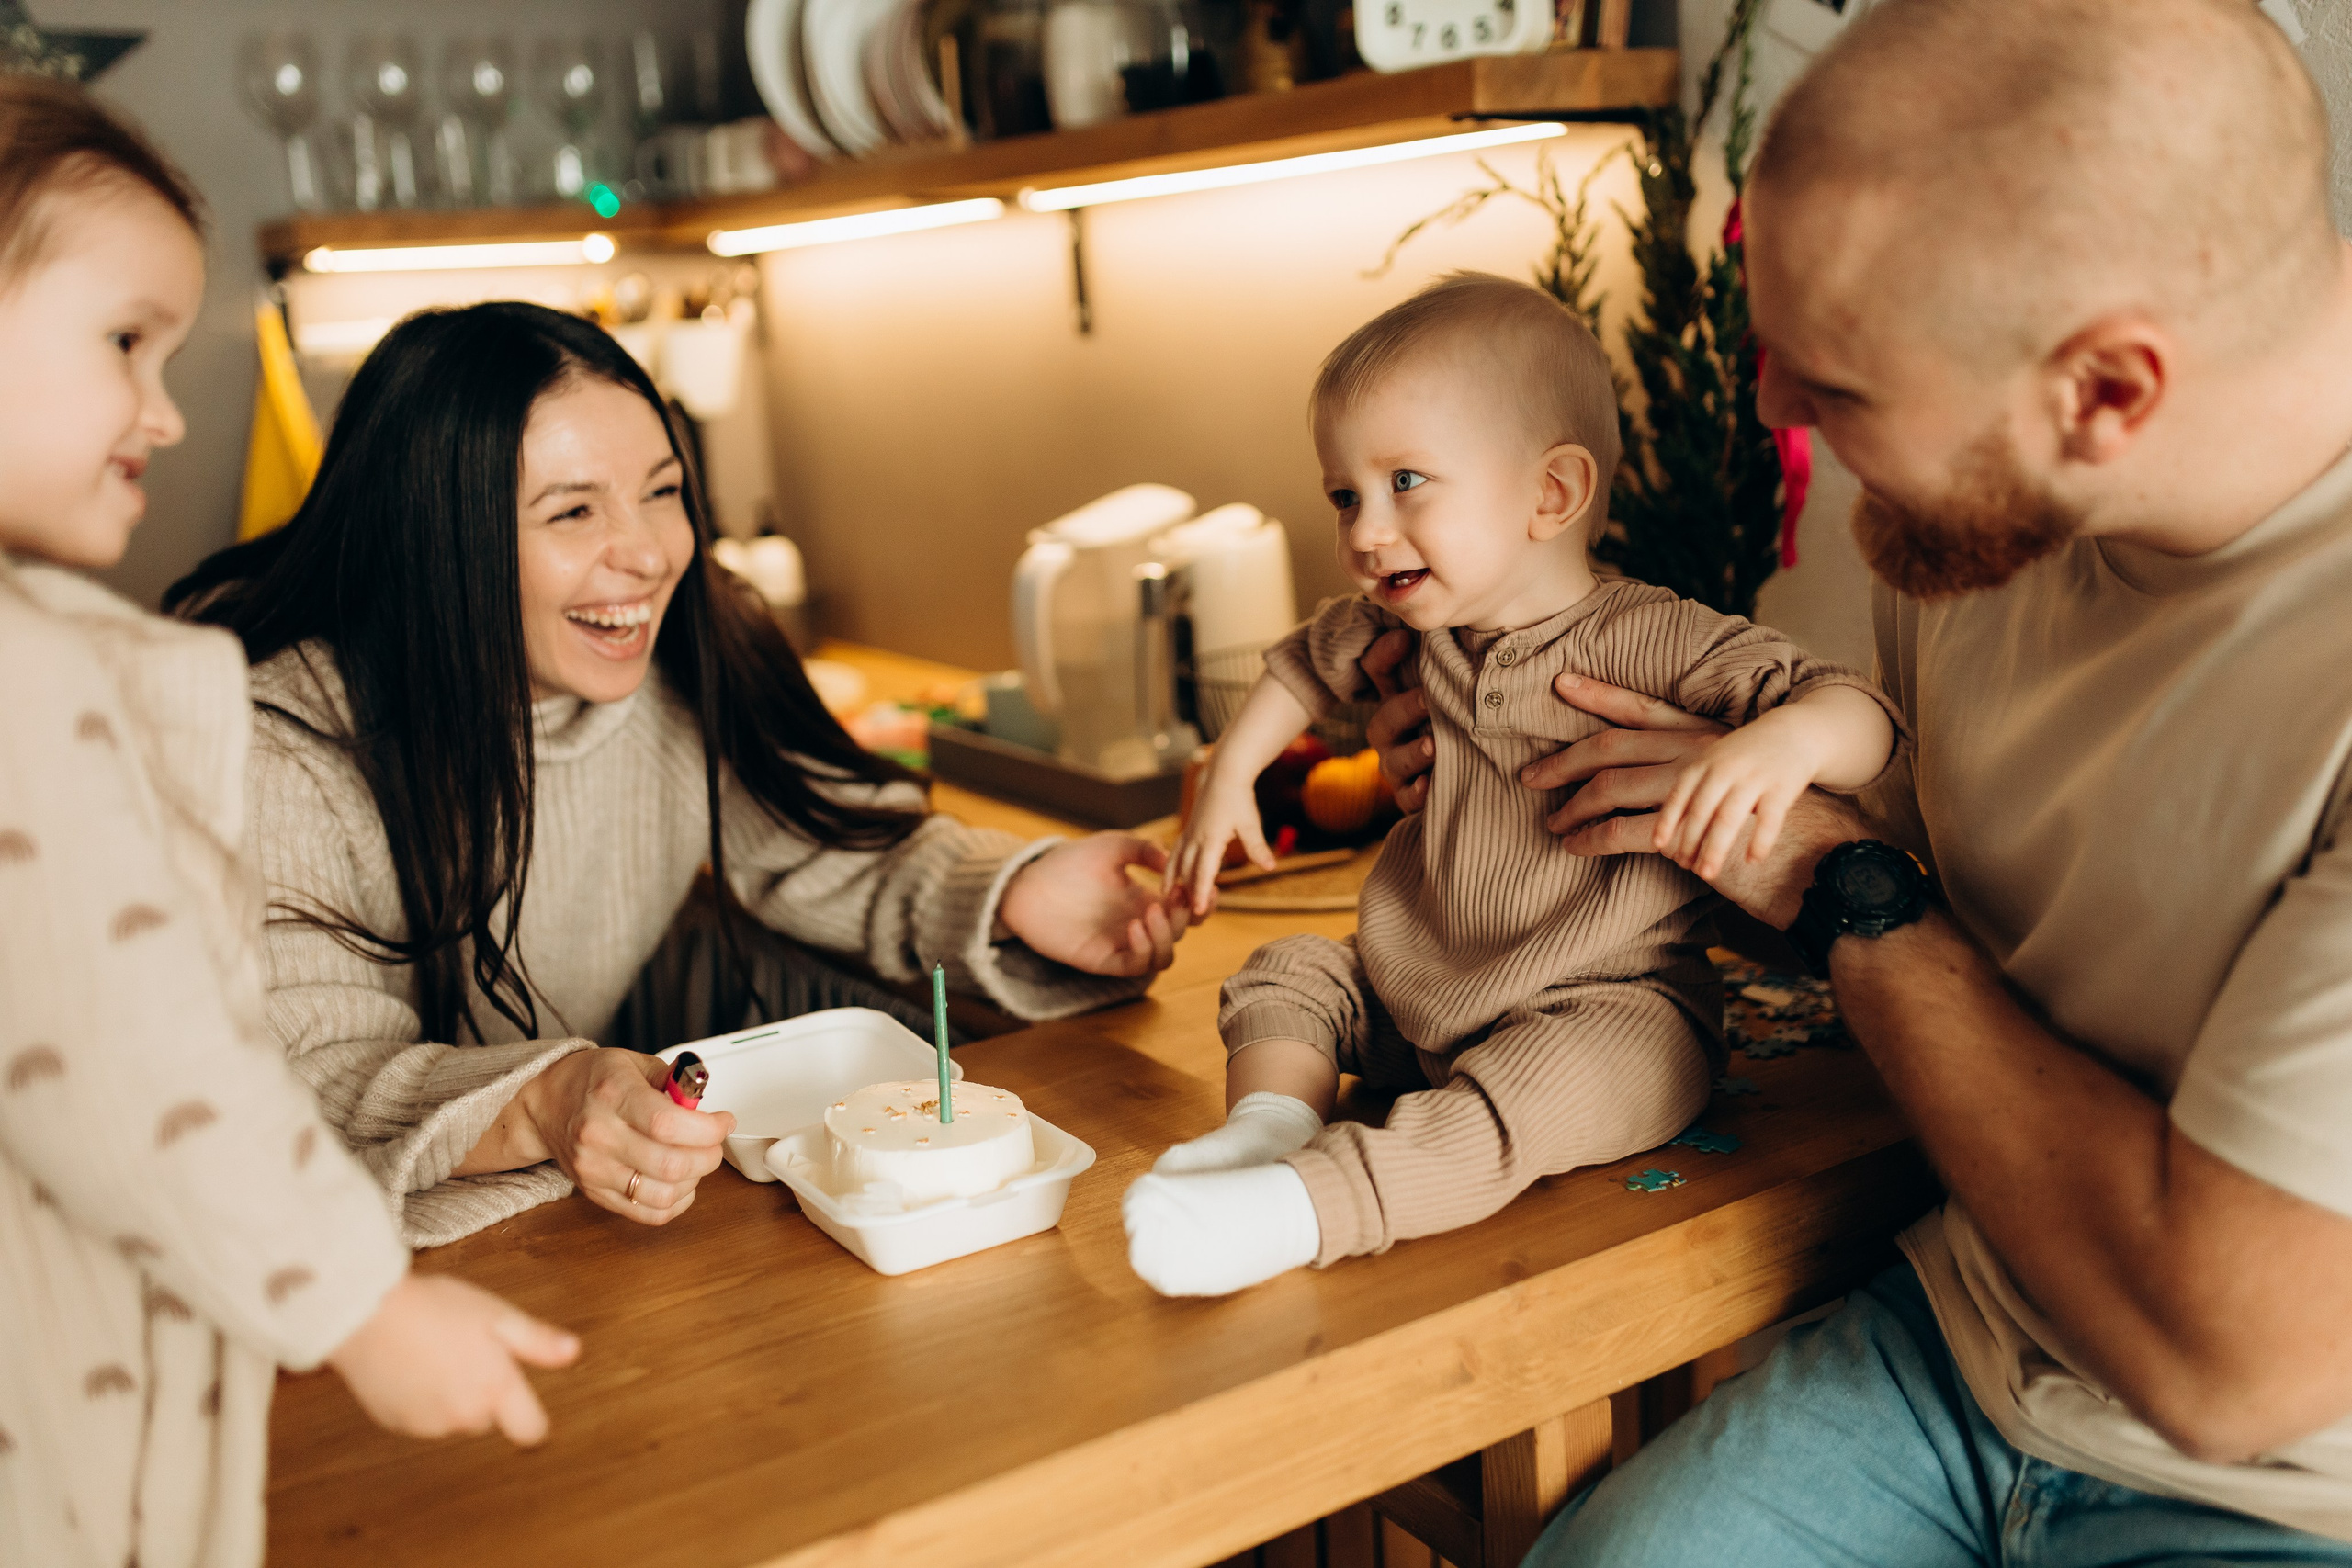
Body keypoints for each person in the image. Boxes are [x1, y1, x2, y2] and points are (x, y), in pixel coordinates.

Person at [1362, 0, 2352, 1559]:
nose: (1770, 413)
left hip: (2285, 1489)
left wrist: (1844, 887)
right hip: (1962, 1352)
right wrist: (1558, 779)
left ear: (2107, 391)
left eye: (1839, 383)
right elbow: (1964, 888)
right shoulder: (1984, 532)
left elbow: (2231, 1364)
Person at [167, 300, 1193, 1249]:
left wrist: (1014, 889)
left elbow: (824, 845)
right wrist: (545, 1097)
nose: (649, 553)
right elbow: (301, 1090)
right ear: (431, 539)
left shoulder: (675, 662)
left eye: (662, 492)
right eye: (573, 513)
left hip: (564, 1248)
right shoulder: (273, 744)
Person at [0, 79, 578, 1568]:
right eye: (124, 340)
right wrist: (366, 1305)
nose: (165, 408)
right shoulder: (28, 684)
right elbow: (141, 1056)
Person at [1122, 274, 1901, 1297]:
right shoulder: (1414, 629)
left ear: (1552, 494)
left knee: (1523, 1104)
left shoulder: (1653, 635)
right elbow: (1305, 659)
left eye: (1406, 482)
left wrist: (1785, 743)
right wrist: (1232, 768)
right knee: (1288, 970)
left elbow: (1861, 715)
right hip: (1423, 986)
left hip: (1609, 1008)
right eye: (1346, 494)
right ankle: (1265, 1132)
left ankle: (1308, 1209)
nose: (1362, 530)